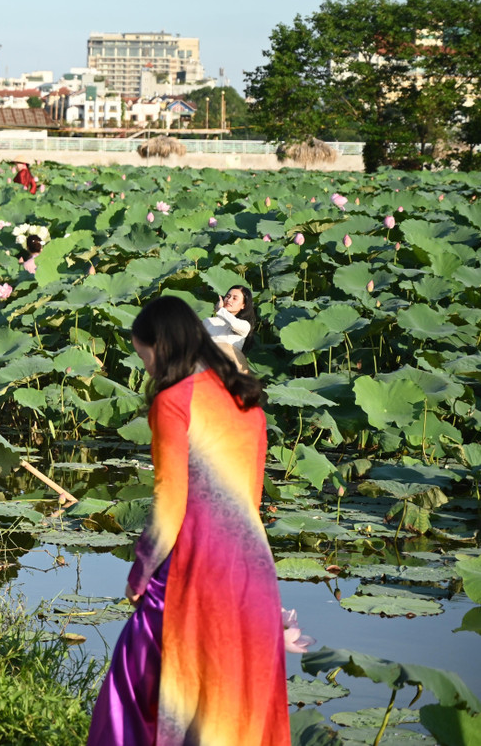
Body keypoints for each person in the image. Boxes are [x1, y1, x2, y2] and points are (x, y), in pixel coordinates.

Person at [87, 295, 287, 746]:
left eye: (145, 356)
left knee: (138, 695)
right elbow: (250, 497)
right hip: (253, 573)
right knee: (235, 712)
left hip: (195, 572)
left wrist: (140, 572)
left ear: (163, 345)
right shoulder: (245, 398)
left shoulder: (174, 402)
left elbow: (170, 502)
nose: (147, 369)